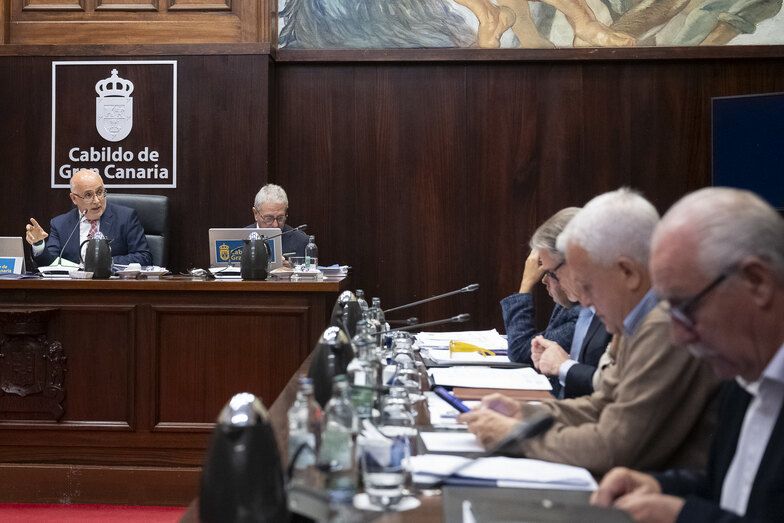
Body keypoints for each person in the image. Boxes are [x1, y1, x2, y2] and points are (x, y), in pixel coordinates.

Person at [460, 188, 720, 475]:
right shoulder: (635, 318)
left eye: (588, 286)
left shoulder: (664, 325)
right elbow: (604, 403)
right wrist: (525, 413)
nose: (584, 302)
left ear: (627, 273)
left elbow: (614, 446)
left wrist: (518, 436)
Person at [591, 187, 784, 522]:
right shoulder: (742, 376)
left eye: (686, 308)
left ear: (757, 282)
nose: (679, 336)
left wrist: (685, 516)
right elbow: (734, 492)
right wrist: (659, 486)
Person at [504, 207, 611, 398]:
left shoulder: (605, 312)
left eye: (551, 273)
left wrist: (564, 366)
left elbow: (609, 393)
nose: (544, 280)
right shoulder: (584, 308)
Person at [25, 169, 151, 266]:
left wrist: (103, 262)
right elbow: (50, 262)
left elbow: (144, 257)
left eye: (100, 192)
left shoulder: (126, 218)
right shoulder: (60, 224)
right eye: (88, 195)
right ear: (74, 198)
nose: (97, 201)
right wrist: (38, 244)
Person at [247, 183, 309, 258]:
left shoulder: (301, 242)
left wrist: (291, 265)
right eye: (269, 218)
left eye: (280, 218)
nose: (275, 225)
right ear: (255, 214)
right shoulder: (239, 239)